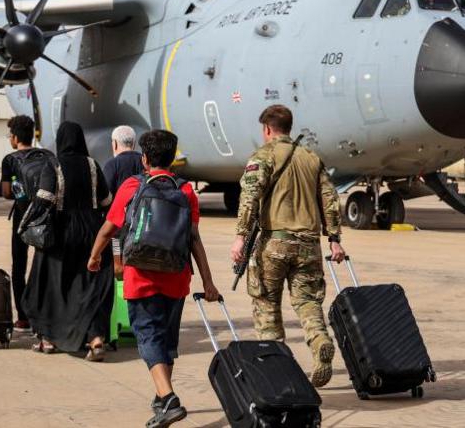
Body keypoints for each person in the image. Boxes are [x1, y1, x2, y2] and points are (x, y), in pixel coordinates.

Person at [89, 129, 219, 428]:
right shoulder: (186, 191)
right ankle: (162, 400)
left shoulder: (132, 185)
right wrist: (208, 282)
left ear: (144, 158)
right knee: (166, 342)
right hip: (176, 278)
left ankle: (169, 399)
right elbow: (194, 239)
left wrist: (95, 256)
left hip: (140, 276)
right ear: (173, 159)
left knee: (148, 338)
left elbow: (109, 229)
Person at [229, 104, 345, 388]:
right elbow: (330, 200)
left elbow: (250, 197)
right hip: (308, 245)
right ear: (288, 127)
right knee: (307, 302)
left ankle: (276, 369)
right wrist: (334, 240)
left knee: (266, 305)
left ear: (267, 129)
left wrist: (241, 237)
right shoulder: (311, 158)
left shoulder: (263, 156)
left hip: (274, 244)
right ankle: (319, 341)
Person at [22, 121, 111, 359]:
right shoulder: (93, 165)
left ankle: (49, 339)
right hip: (92, 232)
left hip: (61, 233)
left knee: (49, 284)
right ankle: (95, 338)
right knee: (91, 286)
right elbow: (106, 202)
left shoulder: (53, 164)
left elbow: (44, 199)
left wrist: (26, 223)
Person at [0, 115, 54, 333]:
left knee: (19, 266)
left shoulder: (10, 160)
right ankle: (45, 312)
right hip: (46, 218)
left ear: (14, 137)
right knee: (45, 265)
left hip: (22, 219)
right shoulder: (48, 155)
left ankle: (22, 317)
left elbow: (5, 192)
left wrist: (20, 191)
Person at [102, 125, 145, 193]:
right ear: (133, 143)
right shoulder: (145, 161)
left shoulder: (111, 165)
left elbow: (106, 194)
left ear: (115, 144)